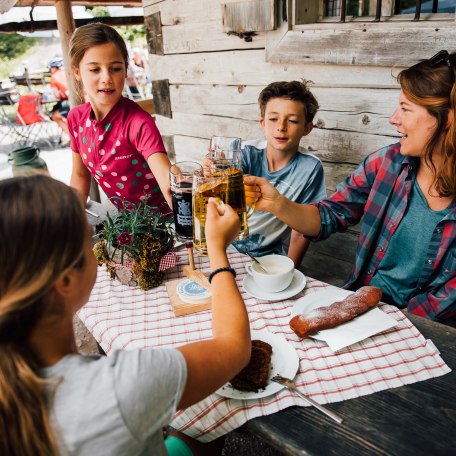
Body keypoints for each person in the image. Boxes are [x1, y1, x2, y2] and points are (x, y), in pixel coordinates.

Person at [0, 173, 250, 455]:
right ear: (66, 280)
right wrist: (217, 250)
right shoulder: (121, 385)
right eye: (89, 240)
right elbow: (236, 348)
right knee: (205, 426)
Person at [245, 50, 456, 326]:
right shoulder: (388, 163)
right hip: (361, 305)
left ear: (447, 119)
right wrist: (276, 203)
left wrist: (388, 321)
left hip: (424, 327)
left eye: (405, 108)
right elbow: (328, 216)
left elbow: (442, 303)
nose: (394, 119)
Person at [67, 23, 172, 212]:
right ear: (77, 72)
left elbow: (168, 181)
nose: (106, 78)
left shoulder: (138, 123)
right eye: (95, 69)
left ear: (125, 69)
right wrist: (69, 220)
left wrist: (180, 185)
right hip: (126, 226)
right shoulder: (76, 119)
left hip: (166, 224)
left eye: (115, 68)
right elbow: (80, 176)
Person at [232, 80, 327, 267]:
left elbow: (302, 230)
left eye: (292, 121)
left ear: (307, 128)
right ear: (263, 123)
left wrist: (291, 269)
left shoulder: (310, 168)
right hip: (226, 246)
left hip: (268, 258)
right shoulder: (243, 152)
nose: (281, 127)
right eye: (273, 119)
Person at [48, 57, 70, 136]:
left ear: (53, 68)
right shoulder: (67, 73)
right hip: (81, 100)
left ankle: (73, 138)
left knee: (55, 116)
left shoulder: (54, 77)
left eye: (50, 68)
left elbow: (56, 95)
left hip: (69, 103)